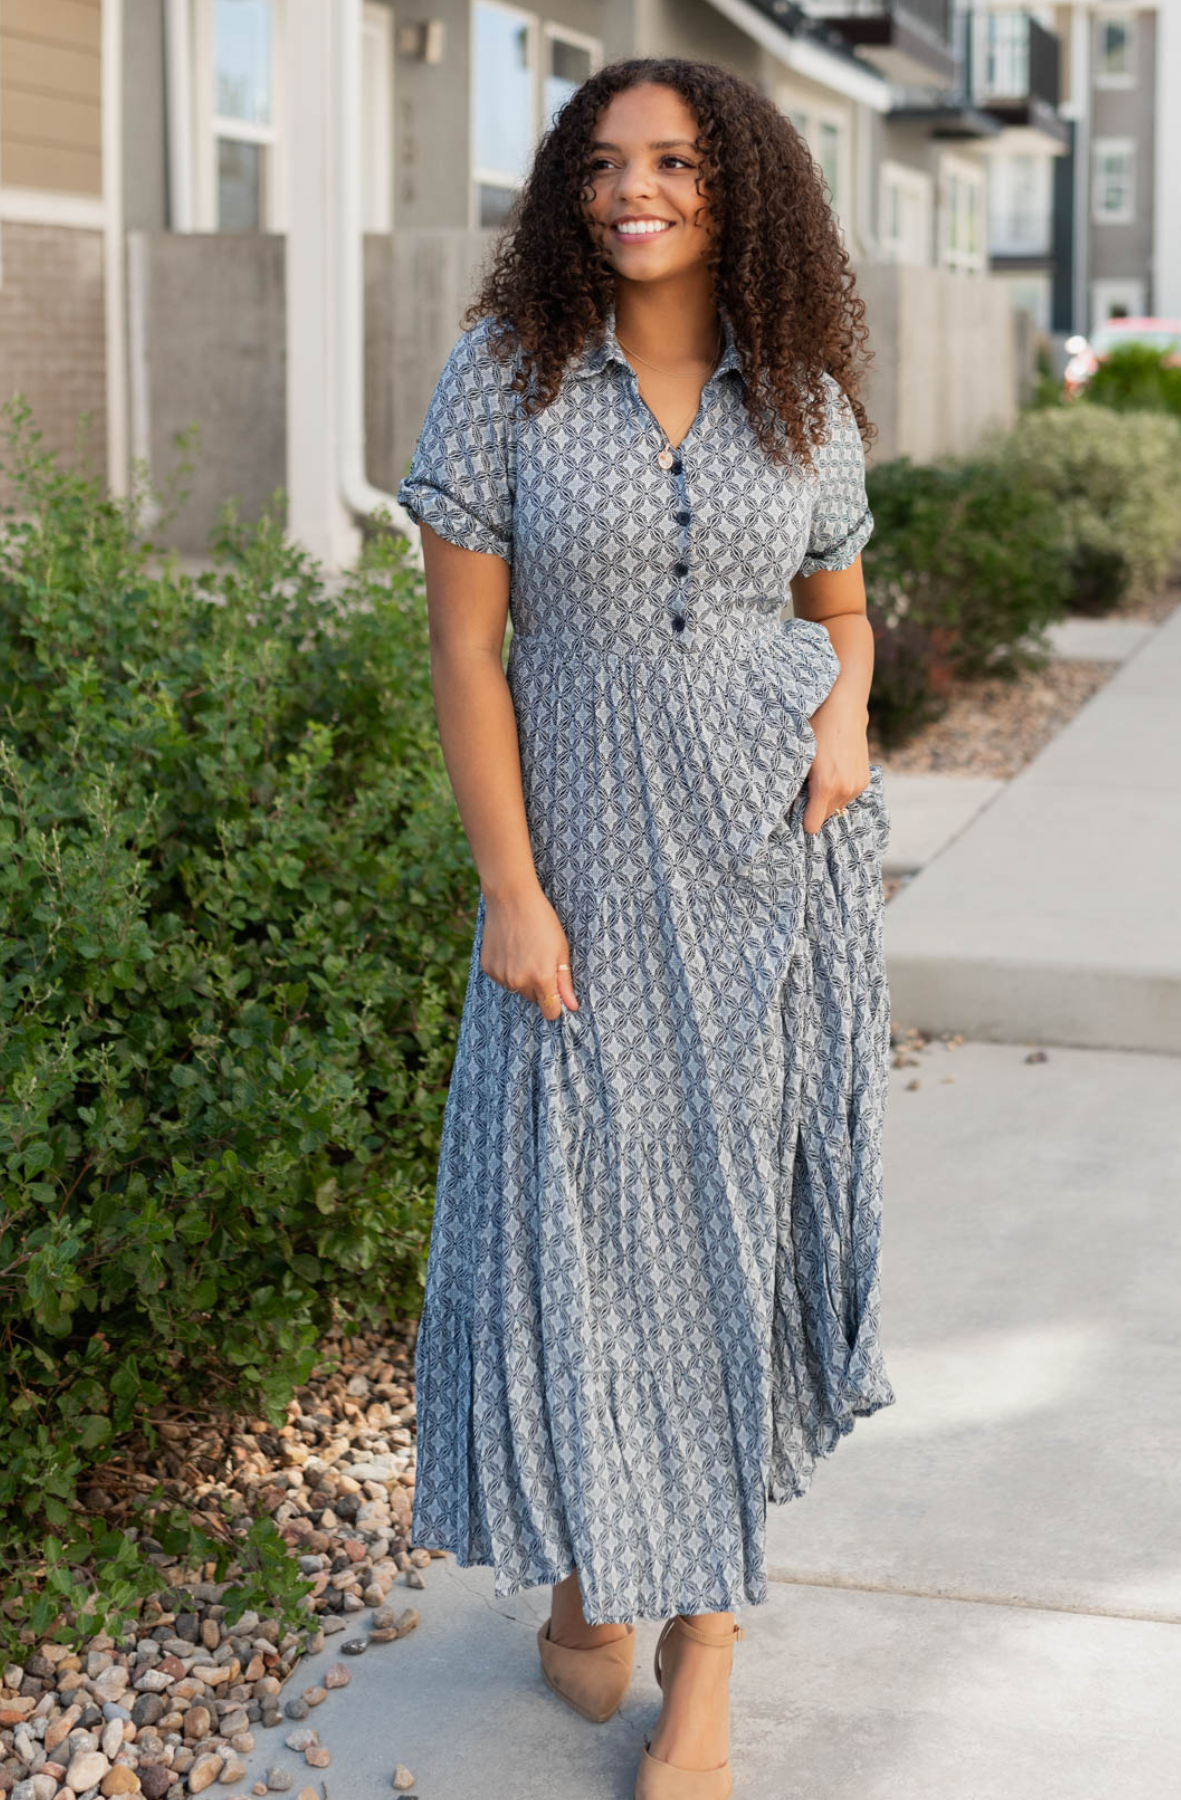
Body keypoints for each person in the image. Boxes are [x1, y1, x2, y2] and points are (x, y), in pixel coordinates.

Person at [398, 55, 895, 1800]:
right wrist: (513, 890)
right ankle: (589, 1560)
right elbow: (466, 651)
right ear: (564, 187)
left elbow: (837, 614)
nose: (635, 191)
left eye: (675, 161)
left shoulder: (805, 398)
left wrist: (843, 715)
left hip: (774, 869)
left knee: (729, 1245)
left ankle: (705, 1653)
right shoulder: (507, 378)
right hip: (587, 883)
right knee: (581, 1231)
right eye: (604, 163)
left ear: (734, 184)